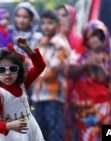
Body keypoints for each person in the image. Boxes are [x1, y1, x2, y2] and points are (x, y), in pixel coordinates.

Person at [68, 20, 111, 141]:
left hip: (104, 105)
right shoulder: (78, 53)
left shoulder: (109, 55)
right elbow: (70, 73)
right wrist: (86, 64)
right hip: (83, 106)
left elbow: (105, 78)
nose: (95, 40)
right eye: (92, 36)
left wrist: (99, 64)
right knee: (85, 135)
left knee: (107, 135)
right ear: (86, 37)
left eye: (99, 37)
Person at [0, 36, 45, 141]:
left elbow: (40, 66)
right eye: (1, 69)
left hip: (31, 131)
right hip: (10, 136)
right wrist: (9, 126)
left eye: (13, 68)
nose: (7, 73)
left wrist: (27, 48)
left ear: (19, 71)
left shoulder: (22, 85)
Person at [31, 10, 71, 141]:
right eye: (43, 23)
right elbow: (35, 66)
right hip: (38, 95)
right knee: (40, 132)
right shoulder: (41, 43)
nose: (46, 26)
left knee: (54, 132)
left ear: (58, 24)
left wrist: (35, 71)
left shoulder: (60, 45)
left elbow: (50, 73)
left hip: (53, 96)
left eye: (50, 23)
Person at [56, 4, 83, 141]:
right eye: (58, 15)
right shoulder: (50, 40)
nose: (61, 18)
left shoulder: (79, 40)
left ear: (72, 18)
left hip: (76, 92)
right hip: (54, 92)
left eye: (64, 15)